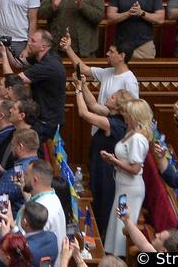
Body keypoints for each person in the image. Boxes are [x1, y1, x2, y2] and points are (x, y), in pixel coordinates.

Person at [72, 81, 135, 241]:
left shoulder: (113, 124)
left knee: (101, 205)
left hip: (105, 173)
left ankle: (100, 239)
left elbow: (84, 114)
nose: (108, 96)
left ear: (118, 105)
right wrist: (83, 85)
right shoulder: (111, 117)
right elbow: (92, 105)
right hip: (99, 167)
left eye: (112, 97)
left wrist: (78, 91)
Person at [100, 99, 152, 256]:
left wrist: (114, 161)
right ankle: (115, 256)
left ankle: (121, 258)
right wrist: (114, 161)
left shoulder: (137, 138)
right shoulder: (131, 133)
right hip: (123, 185)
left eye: (128, 113)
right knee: (117, 220)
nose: (125, 115)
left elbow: (135, 168)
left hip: (130, 189)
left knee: (123, 221)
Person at [59, 35, 139, 132]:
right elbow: (83, 69)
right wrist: (68, 49)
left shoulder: (129, 81)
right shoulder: (107, 72)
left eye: (111, 52)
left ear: (122, 56)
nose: (107, 53)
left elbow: (133, 114)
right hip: (98, 130)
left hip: (114, 134)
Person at [0, 30, 66, 139]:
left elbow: (13, 80)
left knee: (40, 151)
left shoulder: (48, 65)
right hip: (45, 117)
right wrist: (7, 49)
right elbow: (17, 63)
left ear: (43, 47)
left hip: (47, 121)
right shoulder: (41, 57)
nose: (29, 43)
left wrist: (3, 54)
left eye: (33, 41)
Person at [0, 128, 40, 215]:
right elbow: (16, 188)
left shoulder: (21, 170)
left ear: (20, 147)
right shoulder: (34, 164)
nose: (12, 149)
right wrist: (3, 172)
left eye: (13, 145)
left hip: (9, 221)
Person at [0, 201, 57, 267]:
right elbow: (29, 241)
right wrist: (13, 226)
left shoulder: (25, 250)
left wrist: (2, 236)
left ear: (25, 222)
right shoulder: (52, 237)